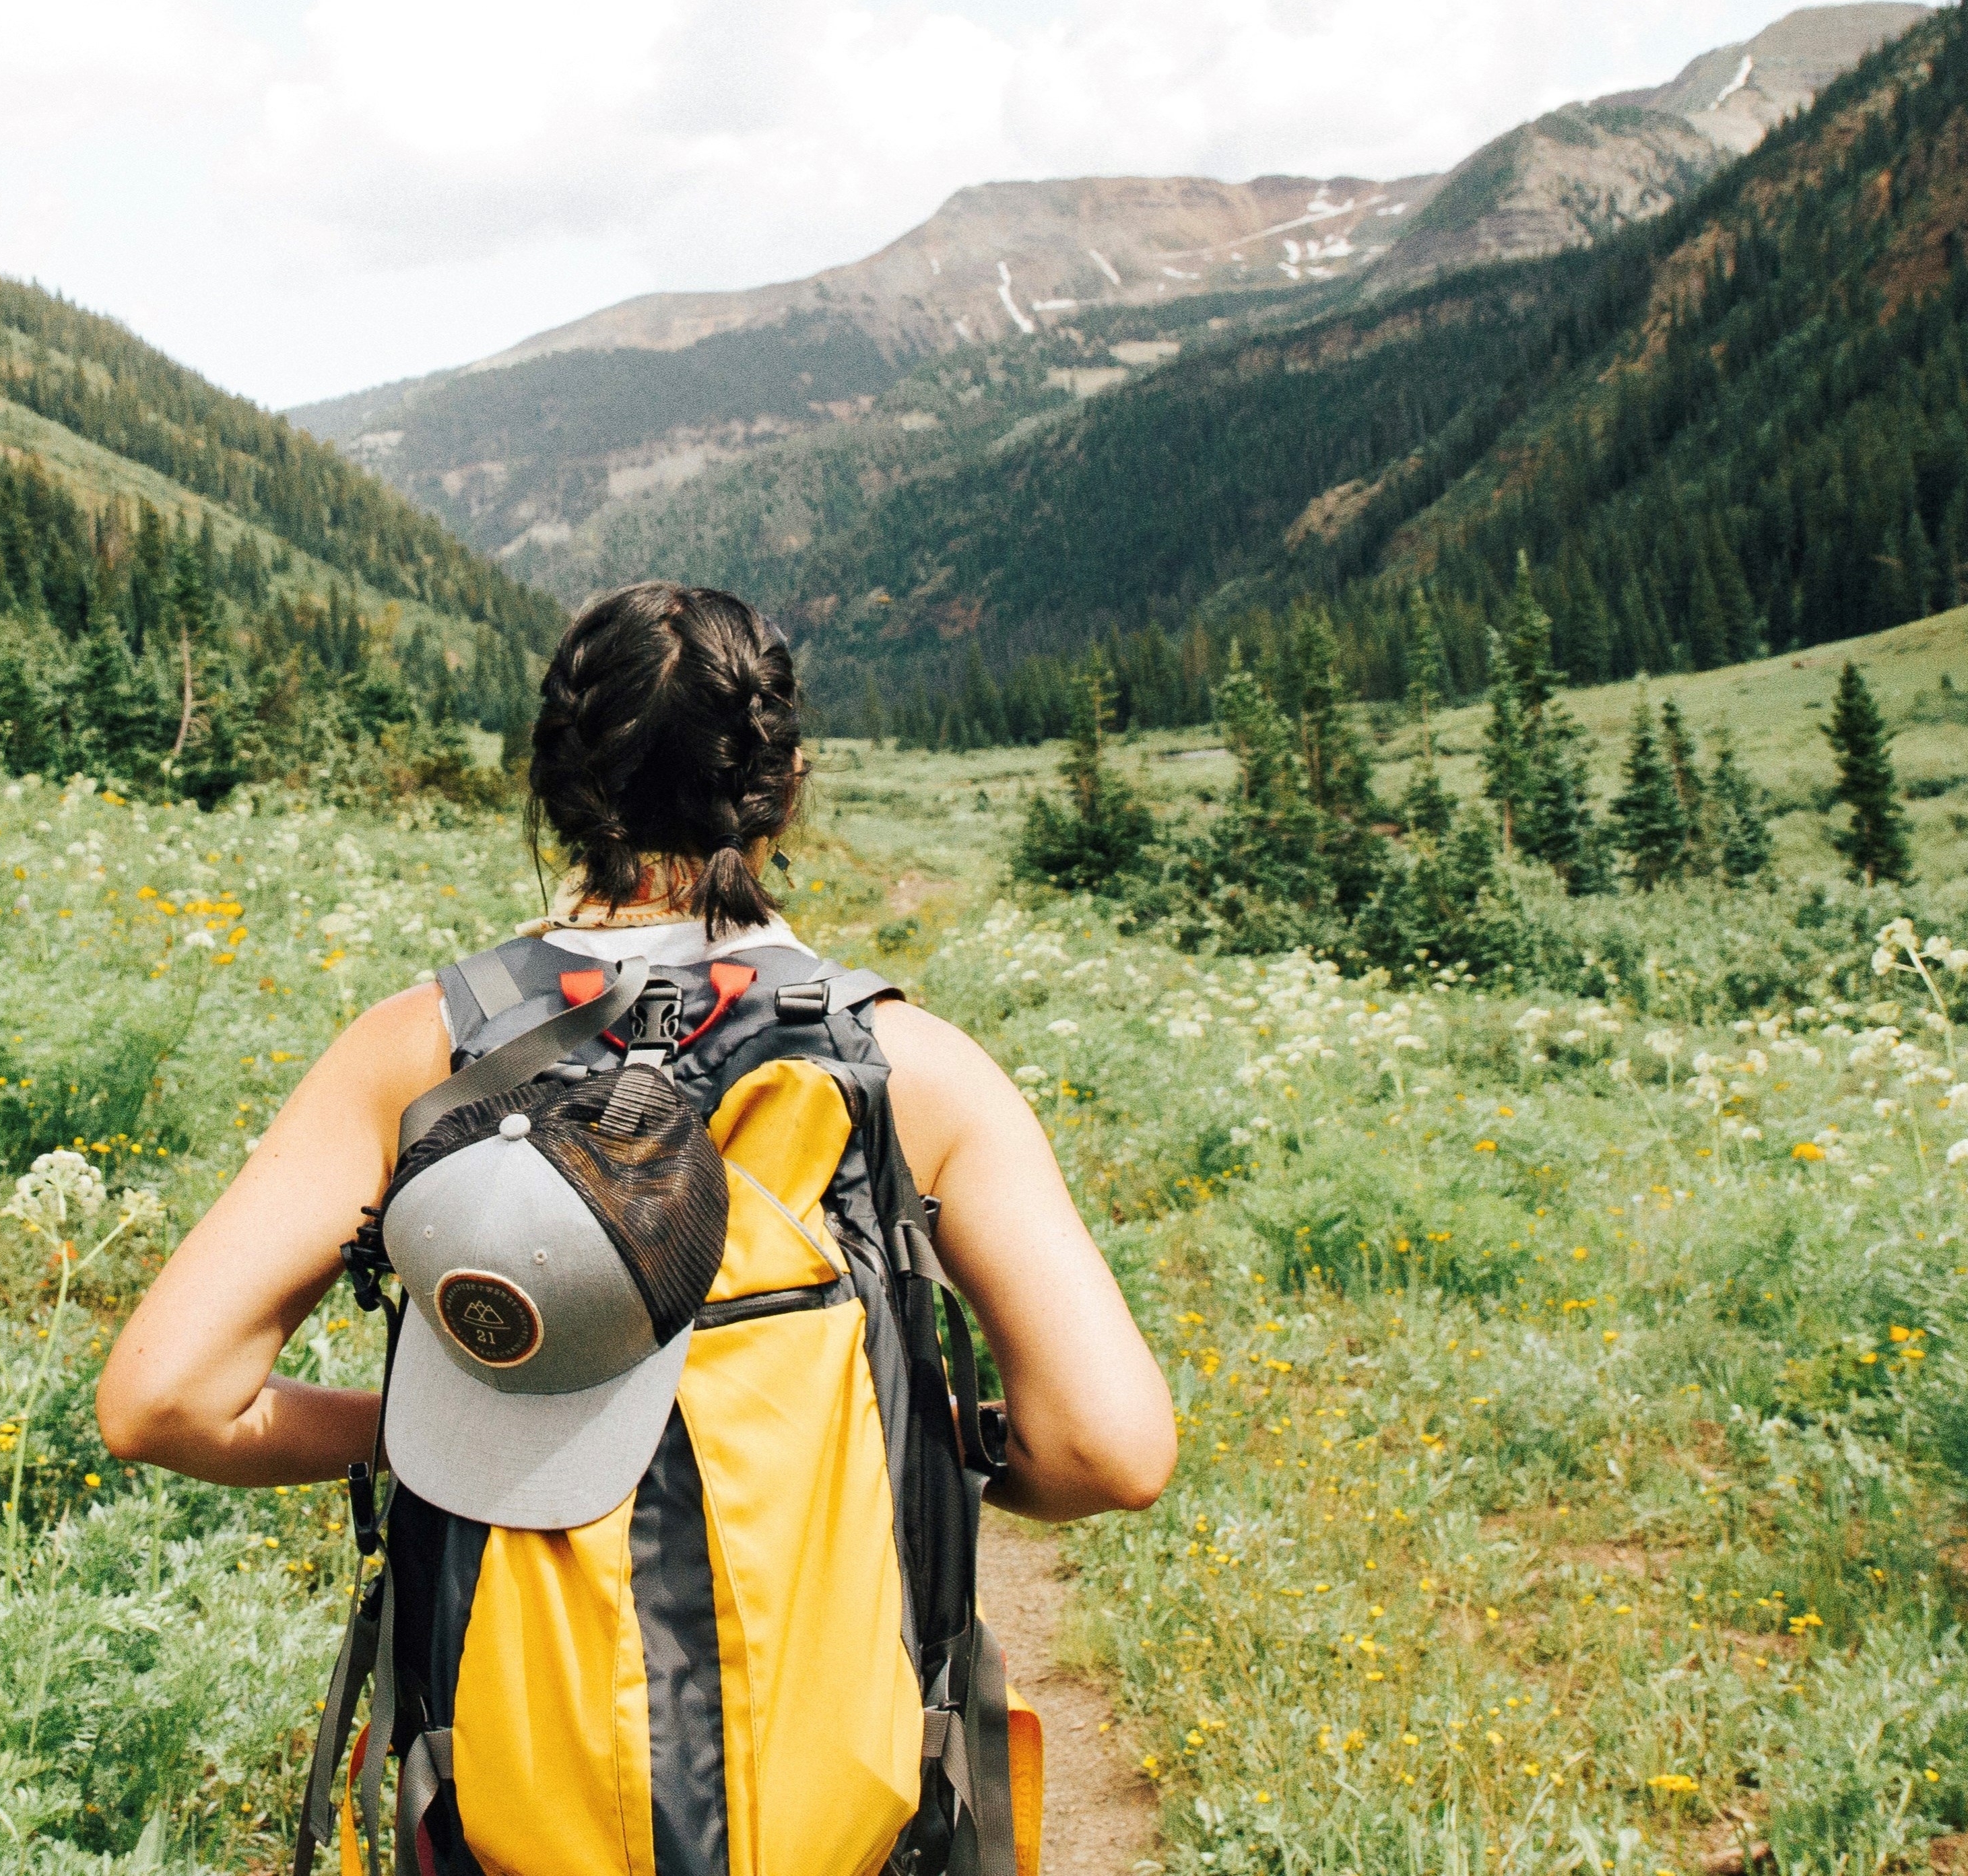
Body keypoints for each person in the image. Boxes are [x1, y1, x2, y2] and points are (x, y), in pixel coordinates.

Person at [97, 580, 1171, 1872]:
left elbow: (164, 1400)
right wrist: (924, 1443)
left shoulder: (420, 1054)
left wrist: (447, 1425)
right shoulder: (909, 1068)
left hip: (516, 1811)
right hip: (845, 1814)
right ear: (782, 786)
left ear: (552, 785)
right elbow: (1111, 1453)